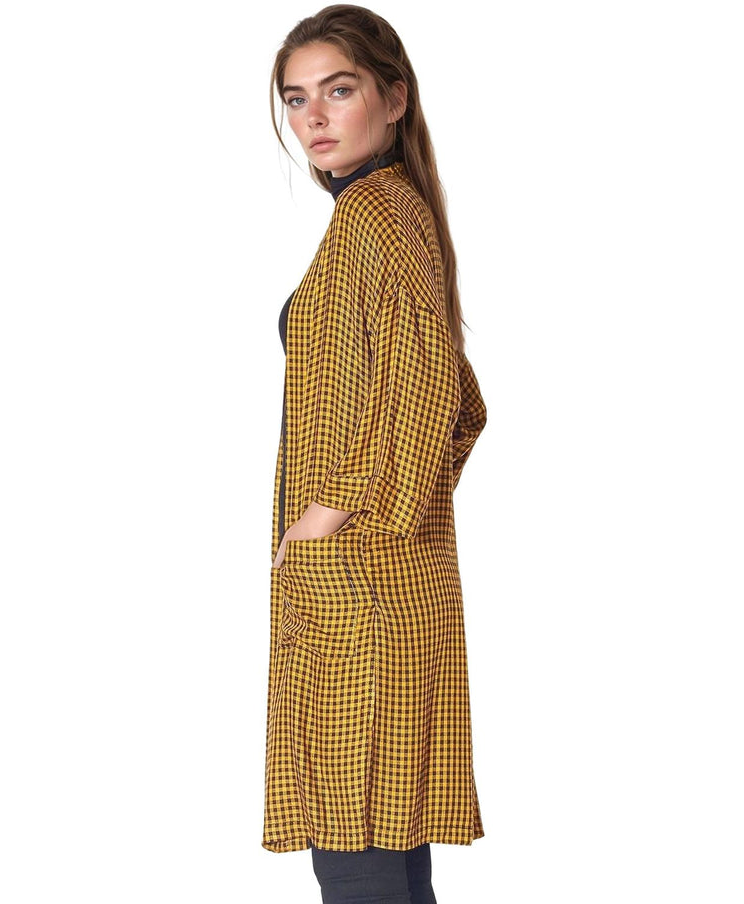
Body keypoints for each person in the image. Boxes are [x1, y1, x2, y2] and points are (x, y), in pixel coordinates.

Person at [265, 6, 488, 901]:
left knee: (358, 861)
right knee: (380, 859)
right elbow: (457, 400)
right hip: (377, 582)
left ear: (394, 98)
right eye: (295, 99)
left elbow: (436, 396)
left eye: (339, 90)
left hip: (364, 590)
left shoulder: (379, 218)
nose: (313, 117)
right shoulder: (378, 215)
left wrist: (334, 513)